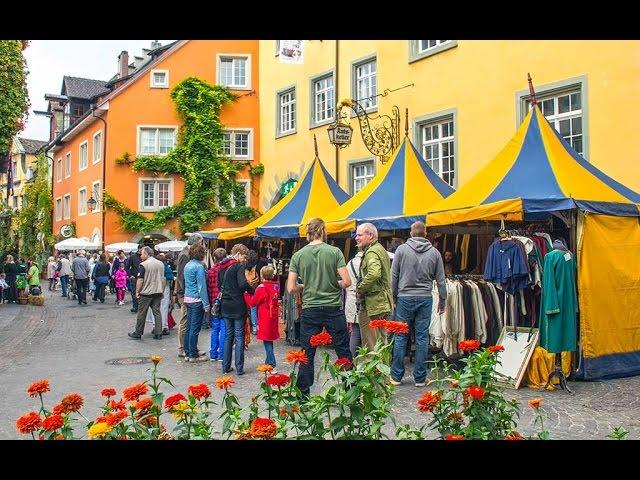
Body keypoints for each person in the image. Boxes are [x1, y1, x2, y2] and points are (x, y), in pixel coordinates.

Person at [287, 218, 352, 397]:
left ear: (307, 233)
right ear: (324, 231)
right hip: (333, 308)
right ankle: (351, 391)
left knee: (307, 353)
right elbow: (347, 281)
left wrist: (305, 286)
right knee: (343, 350)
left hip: (310, 309)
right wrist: (333, 284)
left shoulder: (298, 255)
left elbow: (291, 287)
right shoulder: (335, 252)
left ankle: (303, 394)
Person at [390, 221, 447, 387]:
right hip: (424, 297)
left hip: (404, 297)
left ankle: (396, 376)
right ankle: (420, 379)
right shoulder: (435, 253)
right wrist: (442, 299)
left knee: (401, 336)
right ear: (426, 233)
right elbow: (441, 280)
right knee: (422, 338)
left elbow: (394, 276)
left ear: (410, 233)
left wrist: (393, 297)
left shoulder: (401, 250)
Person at [355, 222, 393, 353]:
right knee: (381, 343)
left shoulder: (371, 252)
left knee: (371, 344)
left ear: (370, 235)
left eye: (359, 235)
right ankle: (383, 372)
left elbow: (374, 273)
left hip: (372, 305)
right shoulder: (379, 249)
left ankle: (373, 372)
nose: (356, 238)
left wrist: (360, 288)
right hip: (380, 303)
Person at [221, 244, 255, 375]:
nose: (245, 260)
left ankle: (225, 366)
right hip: (236, 304)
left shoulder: (222, 265)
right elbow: (242, 284)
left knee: (228, 335)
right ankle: (239, 367)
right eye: (244, 256)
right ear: (239, 254)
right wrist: (251, 289)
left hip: (225, 303)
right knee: (239, 335)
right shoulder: (238, 266)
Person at [174, 233, 204, 358]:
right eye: (201, 243)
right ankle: (184, 348)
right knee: (186, 321)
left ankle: (191, 348)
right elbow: (181, 277)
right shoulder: (185, 255)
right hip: (187, 294)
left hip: (187, 293)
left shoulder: (186, 254)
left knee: (189, 322)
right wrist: (185, 292)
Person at [128, 246, 166, 340]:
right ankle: (158, 332)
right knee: (157, 312)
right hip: (157, 291)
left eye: (142, 254)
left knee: (142, 313)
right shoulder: (160, 264)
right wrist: (162, 291)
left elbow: (140, 280)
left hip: (146, 292)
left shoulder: (144, 264)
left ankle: (138, 332)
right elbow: (163, 279)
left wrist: (137, 291)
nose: (140, 256)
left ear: (146, 254)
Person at [248, 265, 281, 371]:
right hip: (273, 316)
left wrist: (246, 295)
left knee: (267, 341)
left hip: (265, 317)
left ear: (262, 275)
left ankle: (271, 363)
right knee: (269, 340)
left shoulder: (262, 288)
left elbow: (253, 303)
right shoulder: (276, 286)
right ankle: (268, 361)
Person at [182, 244, 210, 362]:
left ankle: (188, 352)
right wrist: (206, 304)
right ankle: (193, 354)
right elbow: (201, 286)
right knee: (195, 328)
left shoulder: (187, 265)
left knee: (189, 327)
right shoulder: (199, 267)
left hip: (187, 298)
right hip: (197, 300)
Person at [207, 247, 232, 362]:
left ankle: (213, 353)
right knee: (224, 329)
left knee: (215, 328)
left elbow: (208, 288)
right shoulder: (227, 270)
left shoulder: (211, 271)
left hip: (214, 302)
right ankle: (222, 354)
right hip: (225, 302)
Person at [344, 251, 364, 358]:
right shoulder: (367, 262)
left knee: (355, 331)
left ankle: (351, 361)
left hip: (351, 298)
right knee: (365, 332)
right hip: (363, 298)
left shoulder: (350, 263)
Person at [158, 253, 174, 335]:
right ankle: (164, 326)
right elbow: (170, 277)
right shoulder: (166, 267)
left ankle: (157, 326)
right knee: (164, 307)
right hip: (165, 289)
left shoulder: (156, 266)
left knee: (157, 308)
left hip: (156, 288)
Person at [127, 246, 143, 313]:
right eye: (142, 249)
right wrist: (130, 275)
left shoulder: (145, 256)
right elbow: (127, 266)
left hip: (143, 278)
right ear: (139, 249)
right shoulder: (133, 257)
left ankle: (141, 307)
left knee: (142, 293)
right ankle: (135, 306)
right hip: (135, 278)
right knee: (134, 292)